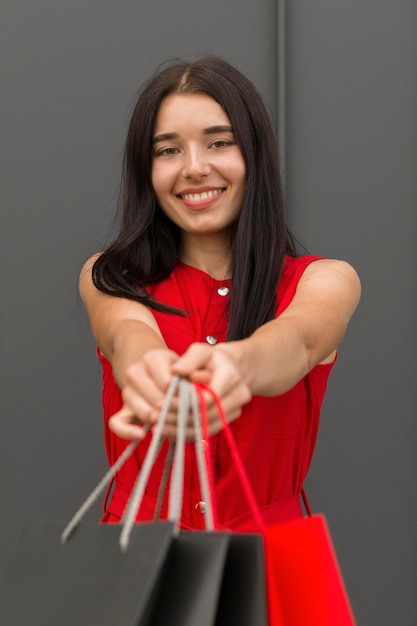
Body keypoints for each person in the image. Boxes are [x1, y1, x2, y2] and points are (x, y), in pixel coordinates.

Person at [79, 56, 360, 531]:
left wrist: (240, 364)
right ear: (146, 170)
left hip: (268, 560)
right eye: (167, 151)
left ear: (254, 153)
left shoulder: (324, 280)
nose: (194, 168)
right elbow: (128, 334)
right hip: (138, 560)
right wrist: (146, 368)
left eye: (219, 142)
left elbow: (298, 341)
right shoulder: (110, 275)